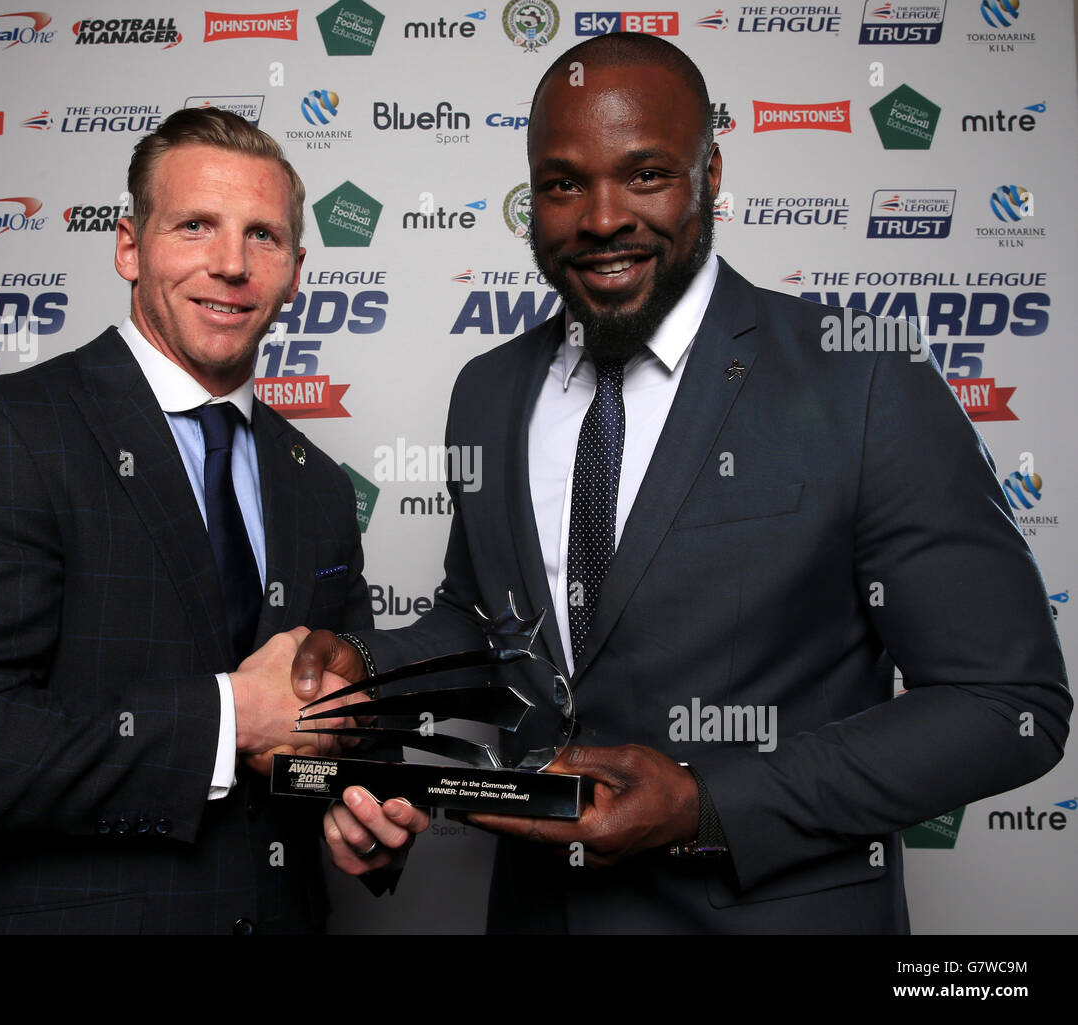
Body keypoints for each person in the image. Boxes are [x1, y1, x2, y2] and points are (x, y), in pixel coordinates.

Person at [293, 33, 1070, 932]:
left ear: (710, 173)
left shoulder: (861, 379)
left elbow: (1007, 705)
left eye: (647, 173)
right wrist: (372, 671)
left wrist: (708, 804)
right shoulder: (488, 390)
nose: (602, 218)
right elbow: (489, 627)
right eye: (563, 184)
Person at [0, 107, 426, 935]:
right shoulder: (4, 432)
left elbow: (347, 733)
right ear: (129, 246)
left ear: (296, 270)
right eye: (196, 226)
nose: (231, 264)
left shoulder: (315, 482)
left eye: (263, 237)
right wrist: (231, 718)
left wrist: (365, 815)